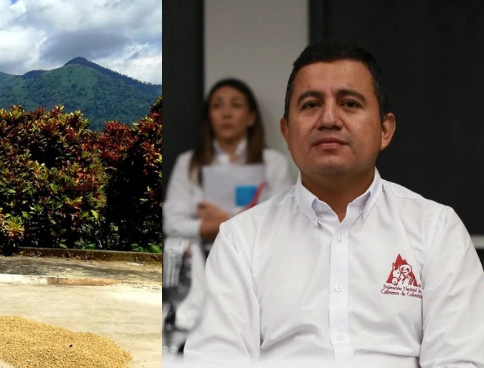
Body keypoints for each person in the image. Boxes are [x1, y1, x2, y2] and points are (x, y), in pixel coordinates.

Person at [183, 39, 484, 366]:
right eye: (310, 104)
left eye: (350, 103)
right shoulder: (240, 241)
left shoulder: (437, 231)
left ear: (385, 129)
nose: (328, 119)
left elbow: (458, 360)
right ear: (286, 131)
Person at [163, 78, 295, 256]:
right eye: (217, 106)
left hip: (261, 258)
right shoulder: (188, 163)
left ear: (251, 117)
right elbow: (173, 225)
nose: (226, 113)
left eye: (236, 105)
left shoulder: (273, 162)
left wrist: (221, 221)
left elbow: (282, 220)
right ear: (208, 117)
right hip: (205, 261)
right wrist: (243, 219)